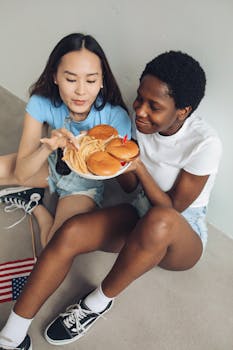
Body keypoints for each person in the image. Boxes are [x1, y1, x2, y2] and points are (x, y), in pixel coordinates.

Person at [0, 51, 222, 350]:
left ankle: (96, 303)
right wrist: (102, 157)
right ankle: (11, 335)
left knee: (159, 221)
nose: (140, 111)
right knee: (71, 232)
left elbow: (171, 209)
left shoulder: (205, 143)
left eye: (153, 106)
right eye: (140, 99)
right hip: (140, 208)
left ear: (183, 111)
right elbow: (131, 189)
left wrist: (139, 166)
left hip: (181, 231)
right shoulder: (134, 121)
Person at [0, 33, 131, 246]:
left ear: (101, 81)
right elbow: (22, 173)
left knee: (55, 245)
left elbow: (127, 181)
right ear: (55, 76)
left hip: (84, 185)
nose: (80, 91)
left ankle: (37, 209)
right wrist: (46, 149)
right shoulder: (41, 102)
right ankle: (35, 193)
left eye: (91, 80)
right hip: (52, 164)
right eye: (70, 79)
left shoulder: (115, 117)